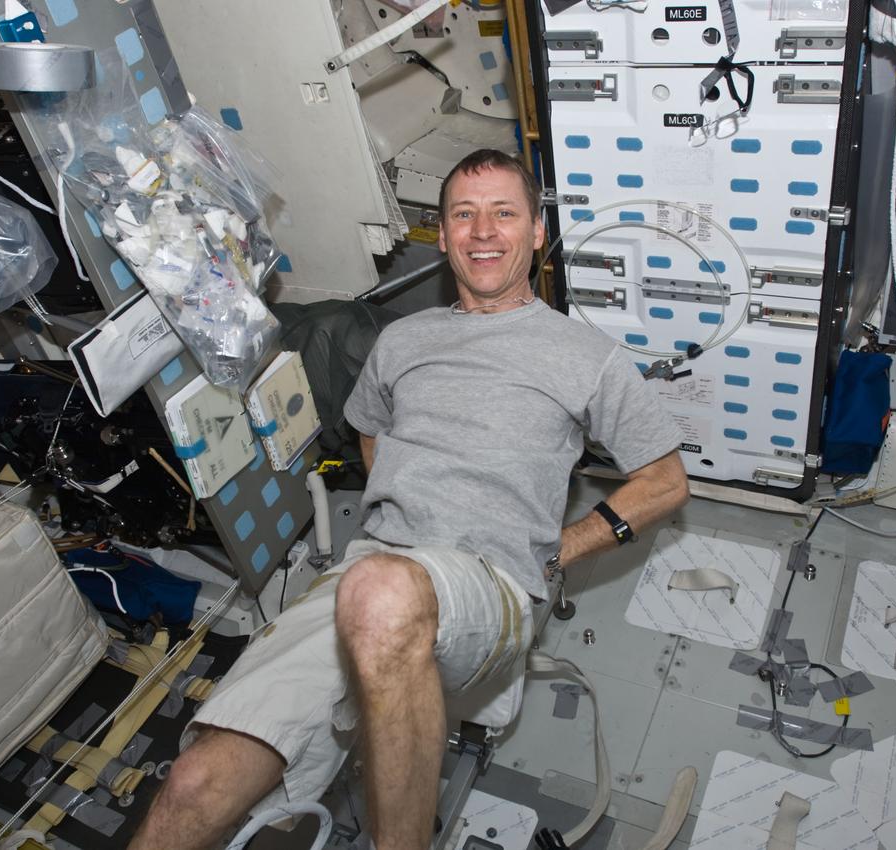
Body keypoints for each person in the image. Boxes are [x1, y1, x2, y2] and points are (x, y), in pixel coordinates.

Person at [127, 149, 688, 850]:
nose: (483, 231)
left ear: (538, 233)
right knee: (193, 785)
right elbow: (369, 434)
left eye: (503, 213)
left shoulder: (584, 355)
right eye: (464, 215)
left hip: (491, 582)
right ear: (444, 235)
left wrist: (565, 547)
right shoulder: (403, 339)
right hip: (370, 571)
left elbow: (666, 481)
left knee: (383, 592)